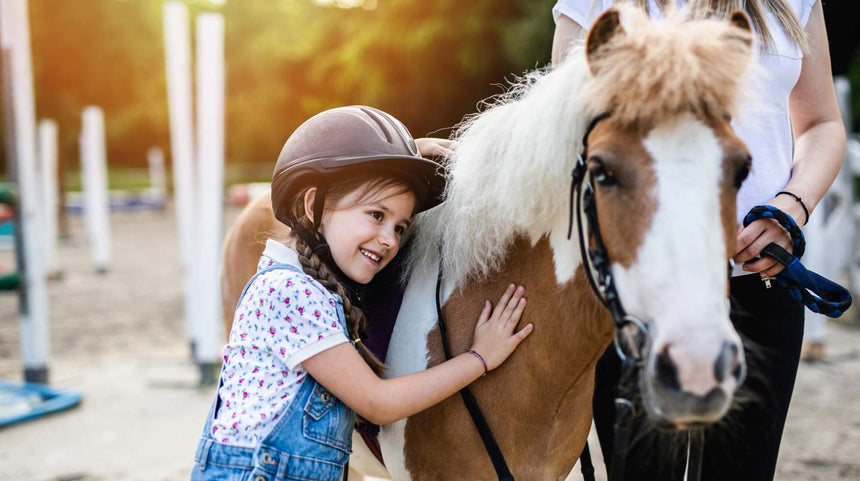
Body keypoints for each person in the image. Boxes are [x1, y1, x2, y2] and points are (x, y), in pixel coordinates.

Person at [552, 1, 845, 480]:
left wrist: (792, 208)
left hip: (758, 278)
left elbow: (821, 122)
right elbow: (565, 129)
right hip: (638, 292)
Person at [189, 105, 533, 481]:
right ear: (312, 205)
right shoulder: (288, 292)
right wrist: (480, 357)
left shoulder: (308, 289)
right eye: (376, 215)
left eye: (400, 228)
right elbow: (377, 403)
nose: (389, 240)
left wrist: (405, 154)